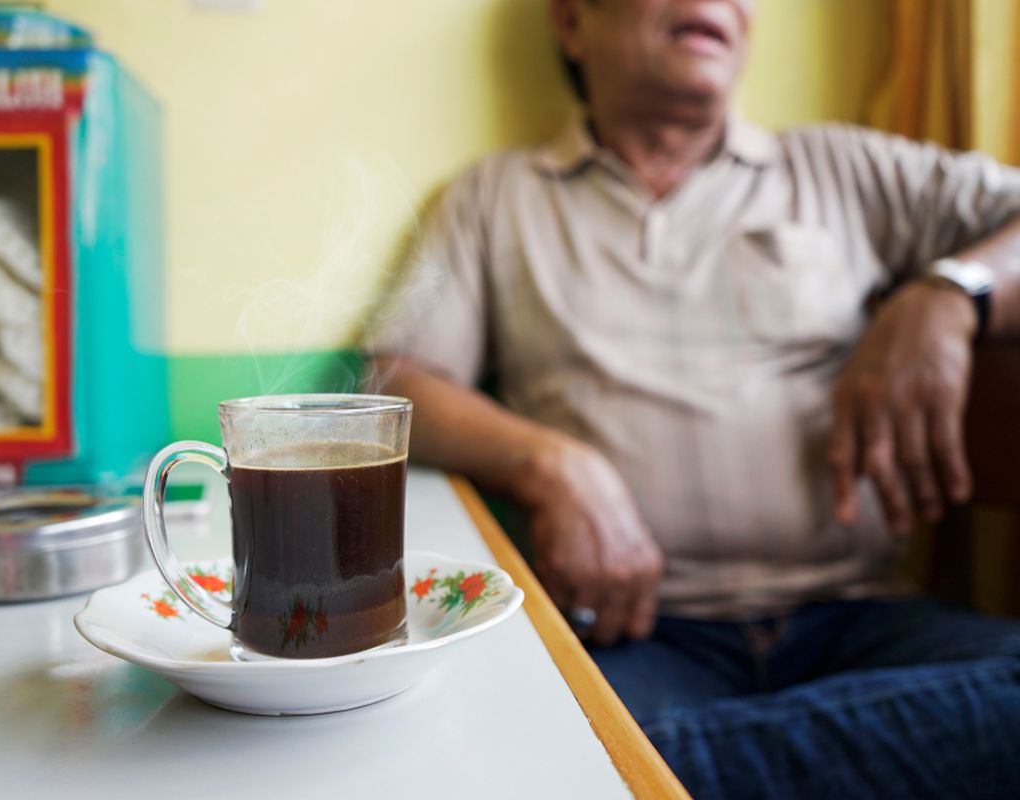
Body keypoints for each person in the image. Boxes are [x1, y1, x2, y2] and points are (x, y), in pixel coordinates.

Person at [362, 0, 1020, 797]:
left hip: (861, 621)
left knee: (575, 759)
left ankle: (669, 765)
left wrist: (950, 292)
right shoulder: (496, 197)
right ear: (572, 23)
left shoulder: (843, 170)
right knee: (531, 731)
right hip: (637, 635)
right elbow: (397, 383)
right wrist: (553, 464)